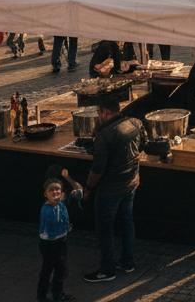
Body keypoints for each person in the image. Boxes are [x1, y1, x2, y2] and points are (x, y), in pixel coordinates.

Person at [82, 98, 146, 283]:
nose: (98, 116)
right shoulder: (135, 123)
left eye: (98, 113)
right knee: (127, 222)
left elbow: (97, 169)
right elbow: (142, 145)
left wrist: (88, 188)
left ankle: (107, 269)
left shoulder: (105, 136)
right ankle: (127, 262)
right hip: (131, 183)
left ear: (105, 112)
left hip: (110, 189)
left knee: (104, 229)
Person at [37, 170, 84, 302]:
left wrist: (67, 177)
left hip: (60, 241)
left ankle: (57, 294)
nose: (55, 192)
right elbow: (54, 223)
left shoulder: (61, 204)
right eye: (51, 190)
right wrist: (66, 227)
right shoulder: (47, 210)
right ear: (45, 194)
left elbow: (79, 190)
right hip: (49, 244)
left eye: (58, 189)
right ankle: (42, 296)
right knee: (49, 270)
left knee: (60, 270)